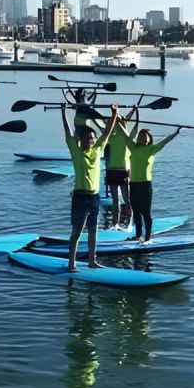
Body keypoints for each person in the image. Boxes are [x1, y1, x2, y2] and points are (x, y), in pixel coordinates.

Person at [62, 102, 120, 271]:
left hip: (94, 196)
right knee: (77, 231)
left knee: (93, 230)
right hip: (80, 196)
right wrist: (63, 112)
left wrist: (114, 114)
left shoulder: (98, 150)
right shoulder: (76, 152)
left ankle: (91, 261)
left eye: (92, 138)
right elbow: (67, 132)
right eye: (87, 138)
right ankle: (71, 263)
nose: (90, 141)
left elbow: (107, 132)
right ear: (81, 141)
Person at [121, 115, 181, 244]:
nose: (143, 139)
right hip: (134, 184)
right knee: (136, 211)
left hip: (145, 185)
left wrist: (175, 133)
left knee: (146, 212)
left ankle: (148, 237)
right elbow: (125, 135)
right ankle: (138, 235)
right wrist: (117, 121)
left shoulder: (152, 149)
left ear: (149, 140)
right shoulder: (132, 147)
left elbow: (165, 141)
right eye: (141, 137)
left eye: (145, 137)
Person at [104, 106, 139, 230]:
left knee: (126, 199)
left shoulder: (127, 138)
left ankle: (129, 222)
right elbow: (111, 126)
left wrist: (135, 111)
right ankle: (115, 224)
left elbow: (132, 124)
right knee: (115, 200)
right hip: (112, 170)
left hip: (123, 171)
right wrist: (116, 115)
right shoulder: (111, 137)